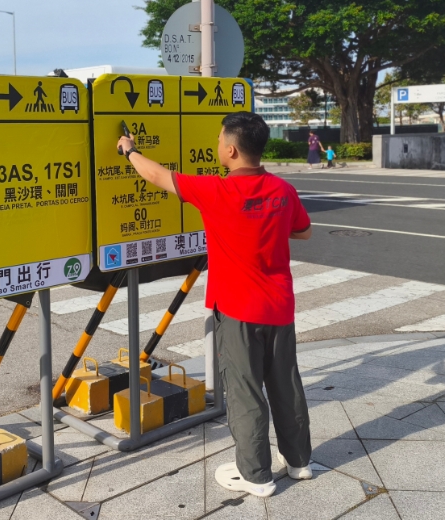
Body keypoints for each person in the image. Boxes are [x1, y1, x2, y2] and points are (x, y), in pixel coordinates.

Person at [117, 111, 313, 498]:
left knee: (244, 391)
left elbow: (156, 175)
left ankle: (256, 476)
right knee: (285, 384)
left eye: (221, 138)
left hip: (238, 310)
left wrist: (129, 150)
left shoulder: (216, 191)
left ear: (231, 150)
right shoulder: (283, 190)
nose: (218, 143)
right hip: (279, 306)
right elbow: (303, 231)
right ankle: (299, 462)